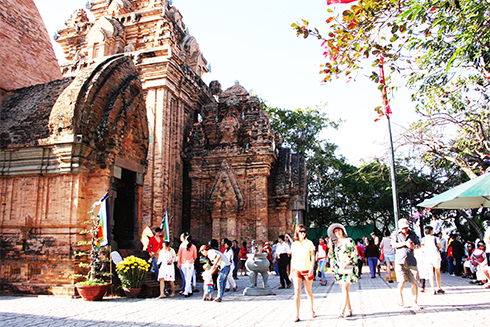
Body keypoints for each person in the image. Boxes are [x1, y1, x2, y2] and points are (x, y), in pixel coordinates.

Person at [328, 223, 358, 318]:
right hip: (339, 267)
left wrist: (347, 262)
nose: (337, 233)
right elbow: (331, 255)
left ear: (342, 231)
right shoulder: (334, 243)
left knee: (345, 288)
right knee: (344, 290)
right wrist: (330, 245)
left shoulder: (349, 241)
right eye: (335, 231)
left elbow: (354, 253)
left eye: (339, 230)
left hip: (347, 266)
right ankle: (349, 309)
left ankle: (342, 310)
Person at [391, 218, 422, 309]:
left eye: (406, 228)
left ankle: (415, 302)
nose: (405, 230)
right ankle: (400, 298)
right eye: (403, 228)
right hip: (400, 260)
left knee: (414, 282)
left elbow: (418, 246)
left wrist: (413, 246)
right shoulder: (395, 234)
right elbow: (393, 245)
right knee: (402, 281)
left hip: (411, 260)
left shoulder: (413, 234)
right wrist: (405, 243)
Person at [289, 224, 316, 322]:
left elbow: (313, 256)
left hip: (307, 269)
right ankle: (296, 314)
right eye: (301, 231)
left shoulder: (309, 243)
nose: (303, 233)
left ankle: (312, 310)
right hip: (297, 270)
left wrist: (312, 269)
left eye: (304, 231)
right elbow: (293, 258)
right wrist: (291, 271)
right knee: (297, 292)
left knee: (308, 291)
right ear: (297, 232)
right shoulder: (294, 244)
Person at [422, 225, 444, 294]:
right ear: (431, 231)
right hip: (435, 255)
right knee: (437, 272)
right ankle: (439, 287)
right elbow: (439, 246)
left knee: (431, 273)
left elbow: (422, 246)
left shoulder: (423, 239)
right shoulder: (435, 238)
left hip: (428, 256)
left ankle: (433, 288)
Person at [177, 232, 197, 297]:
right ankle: (186, 292)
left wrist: (178, 263)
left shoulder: (182, 245)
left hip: (183, 263)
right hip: (190, 263)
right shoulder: (193, 247)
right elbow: (195, 257)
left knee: (186, 278)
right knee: (188, 278)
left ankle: (189, 290)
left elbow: (179, 255)